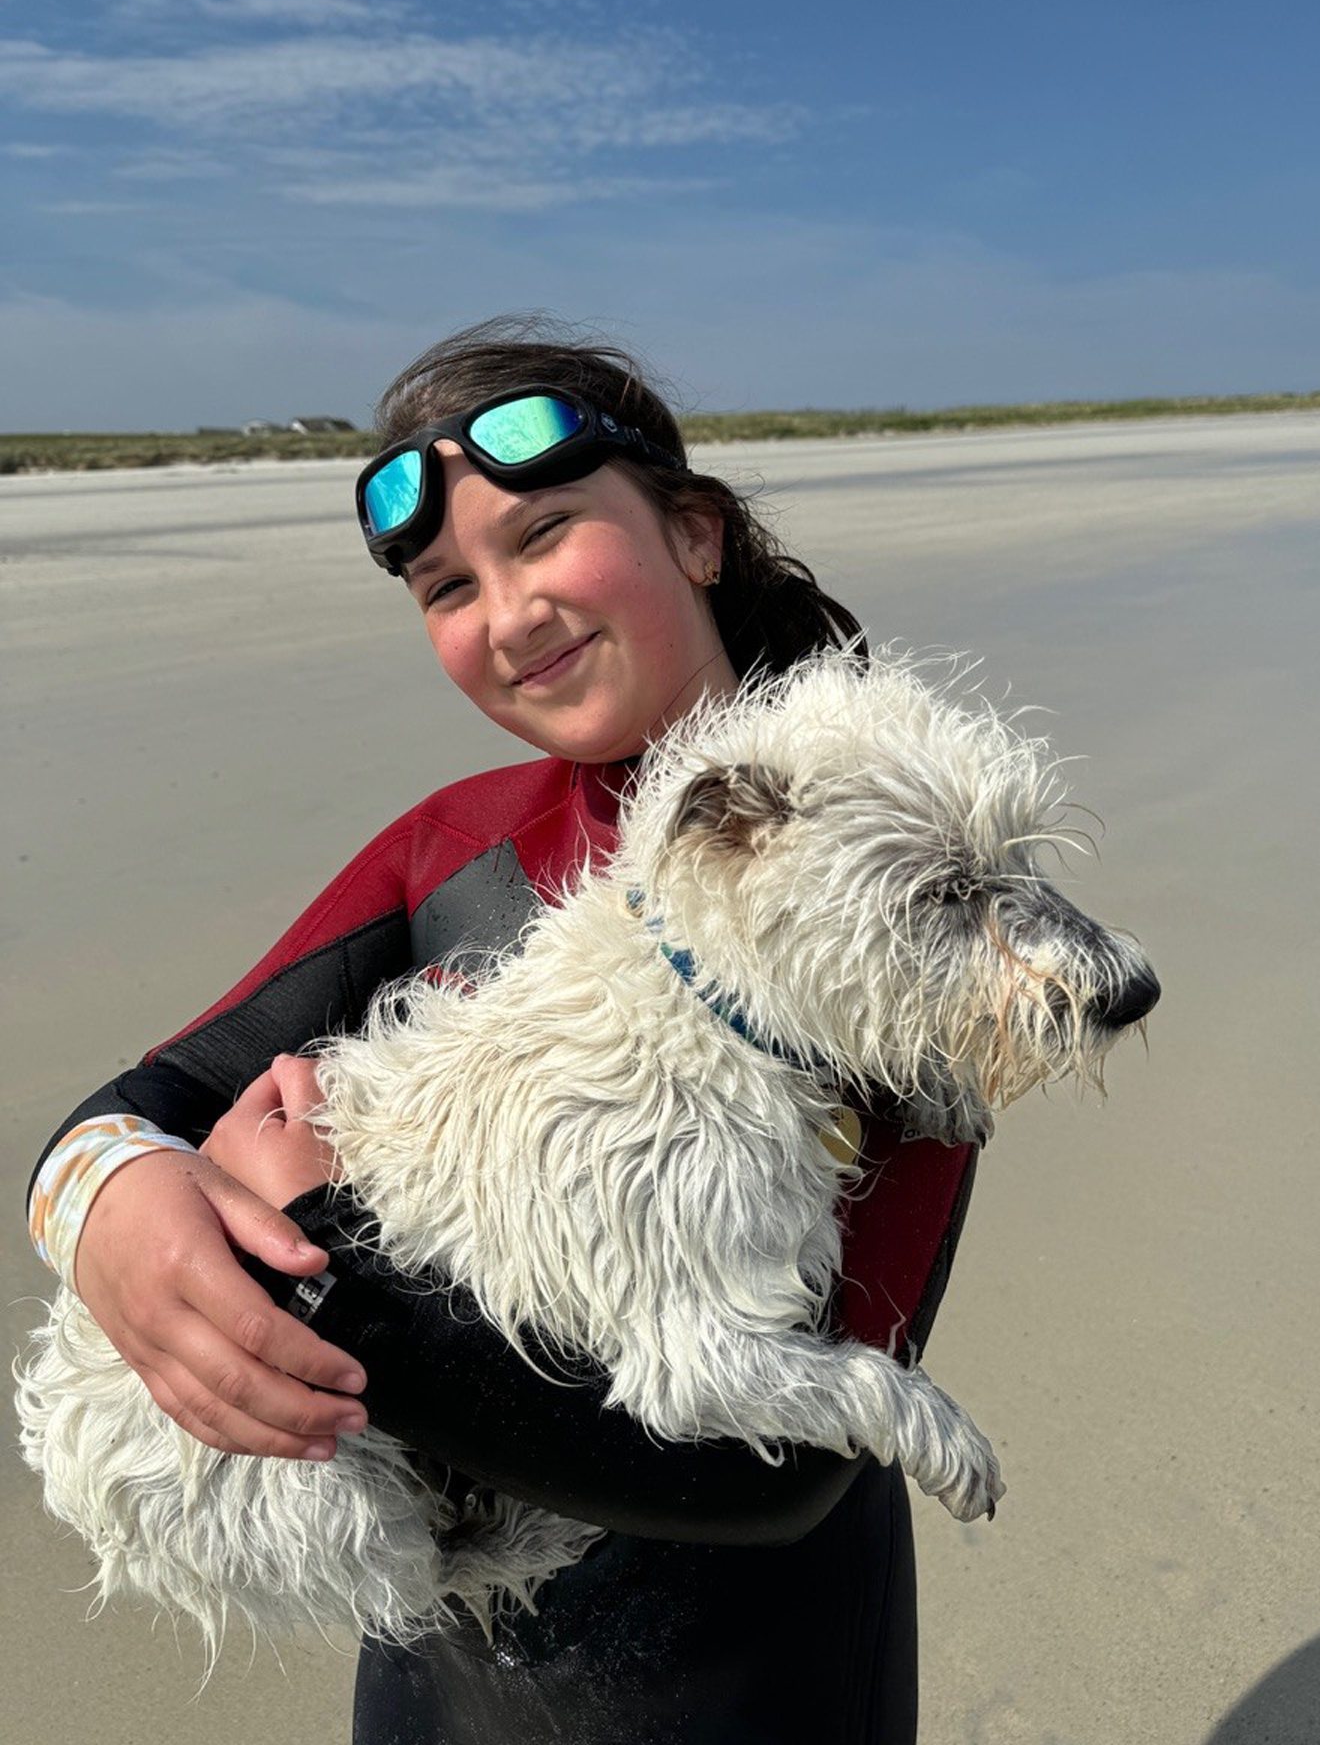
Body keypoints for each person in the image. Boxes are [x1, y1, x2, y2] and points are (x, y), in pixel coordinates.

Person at [26, 316, 979, 1744]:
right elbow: (149, 1095)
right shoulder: (452, 848)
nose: (510, 614)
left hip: (748, 1668)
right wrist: (109, 1208)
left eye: (545, 535)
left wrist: (327, 1272)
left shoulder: (884, 868)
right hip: (436, 1657)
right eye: (445, 586)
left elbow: (781, 1471)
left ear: (698, 535)